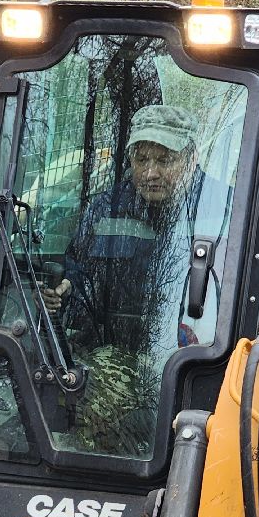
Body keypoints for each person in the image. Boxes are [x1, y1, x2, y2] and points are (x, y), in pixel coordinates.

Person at [39, 104, 232, 456]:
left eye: (164, 160)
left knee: (96, 401)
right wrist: (64, 289)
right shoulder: (106, 208)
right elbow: (78, 267)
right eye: (141, 159)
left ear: (191, 157)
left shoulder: (224, 208)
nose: (150, 172)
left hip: (196, 358)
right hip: (112, 347)